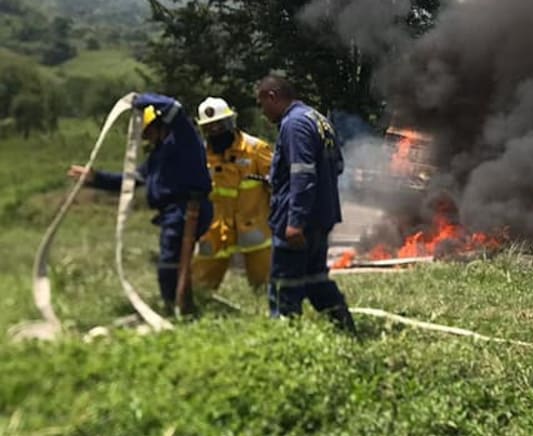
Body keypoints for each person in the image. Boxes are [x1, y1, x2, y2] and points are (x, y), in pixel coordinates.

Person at [69, 93, 213, 313]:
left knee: (169, 261)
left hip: (186, 208)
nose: (147, 138)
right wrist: (95, 178)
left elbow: (174, 106)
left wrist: (138, 100)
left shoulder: (183, 139)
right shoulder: (157, 155)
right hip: (173, 212)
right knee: (174, 260)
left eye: (148, 132)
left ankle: (175, 307)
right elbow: (130, 181)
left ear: (159, 125)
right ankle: (181, 303)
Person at [255, 74, 355, 331]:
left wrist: (295, 221)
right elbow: (337, 166)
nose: (263, 112)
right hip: (321, 217)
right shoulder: (319, 120)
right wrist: (278, 179)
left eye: (262, 104)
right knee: (315, 279)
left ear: (272, 96)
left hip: (298, 221)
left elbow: (302, 174)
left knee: (284, 283)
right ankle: (345, 327)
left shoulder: (294, 124)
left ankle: (285, 337)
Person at [192, 96, 274, 291]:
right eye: (209, 127)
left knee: (265, 287)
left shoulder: (255, 149)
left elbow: (277, 184)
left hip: (255, 230)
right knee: (201, 287)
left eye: (219, 125)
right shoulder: (200, 155)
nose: (215, 131)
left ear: (230, 122)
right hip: (215, 231)